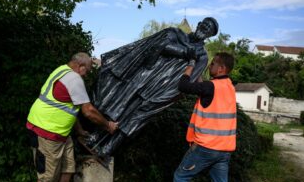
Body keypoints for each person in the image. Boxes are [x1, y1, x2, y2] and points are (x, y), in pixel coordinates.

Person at [82, 17, 219, 157]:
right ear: (199, 24)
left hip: (162, 88)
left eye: (209, 29)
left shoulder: (202, 56)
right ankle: (96, 136)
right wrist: (185, 53)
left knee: (135, 118)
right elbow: (159, 45)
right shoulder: (176, 34)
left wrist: (168, 96)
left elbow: (189, 78)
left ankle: (107, 148)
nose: (205, 28)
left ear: (210, 35)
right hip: (145, 76)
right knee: (120, 106)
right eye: (205, 24)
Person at [26, 52, 118, 182]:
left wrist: (79, 130)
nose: (86, 75)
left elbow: (68, 107)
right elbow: (88, 111)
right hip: (46, 132)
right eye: (87, 70)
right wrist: (108, 125)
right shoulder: (74, 79)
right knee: (46, 179)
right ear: (80, 66)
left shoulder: (61, 70)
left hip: (59, 132)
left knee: (68, 169)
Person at [173, 52, 236, 182]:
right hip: (224, 150)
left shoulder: (210, 86)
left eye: (212, 63)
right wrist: (198, 73)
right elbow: (205, 90)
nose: (209, 66)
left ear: (221, 68)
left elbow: (183, 86)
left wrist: (190, 66)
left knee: (180, 177)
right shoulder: (229, 86)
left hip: (207, 146)